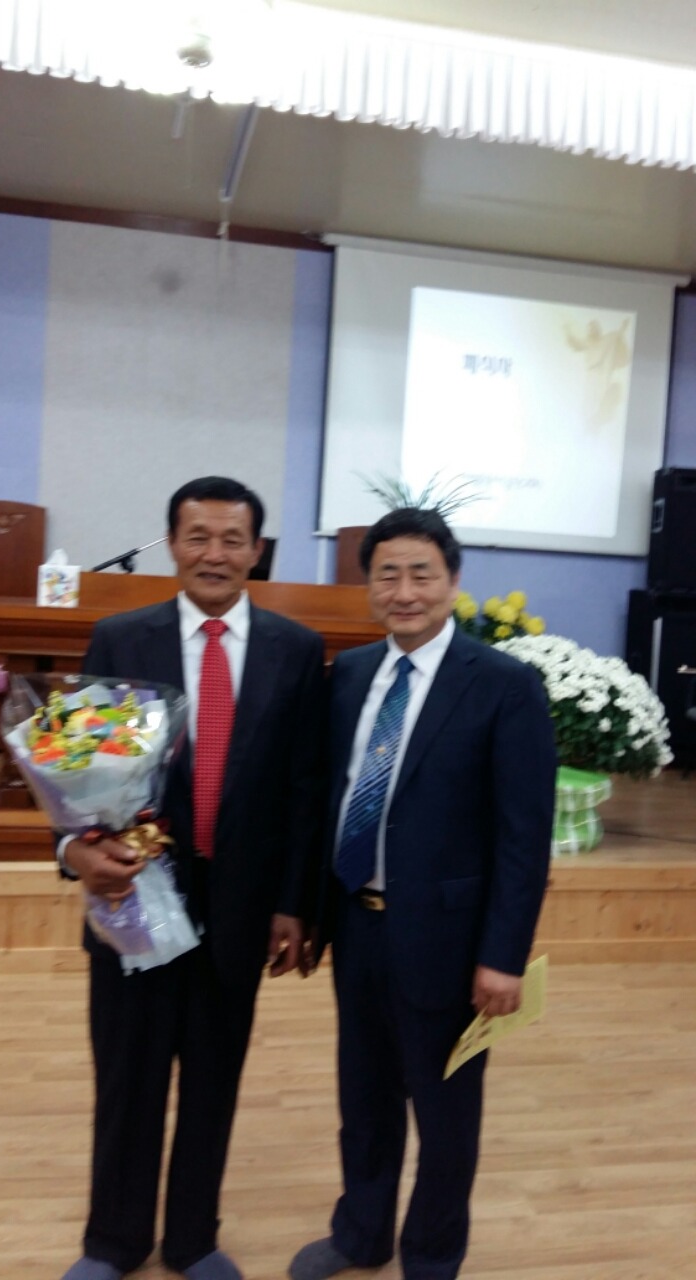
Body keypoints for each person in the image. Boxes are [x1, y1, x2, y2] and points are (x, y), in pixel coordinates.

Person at [58, 476, 324, 1280]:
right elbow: (75, 769)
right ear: (173, 543)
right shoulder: (120, 638)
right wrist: (74, 851)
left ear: (257, 550)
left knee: (214, 1079)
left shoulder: (294, 649)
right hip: (137, 897)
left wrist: (294, 903)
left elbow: (306, 788)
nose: (215, 553)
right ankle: (113, 1242)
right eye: (198, 536)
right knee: (128, 1077)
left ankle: (193, 1240)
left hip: (240, 906)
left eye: (232, 539)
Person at [290, 507, 556, 1280]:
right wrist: (309, 912)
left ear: (452, 580)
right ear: (368, 585)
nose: (404, 592)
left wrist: (503, 956)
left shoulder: (503, 685)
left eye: (421, 574)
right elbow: (329, 798)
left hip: (450, 940)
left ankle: (433, 1257)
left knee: (444, 1115)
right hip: (358, 925)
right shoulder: (351, 676)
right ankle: (360, 1234)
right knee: (364, 1098)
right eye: (388, 576)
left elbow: (523, 838)